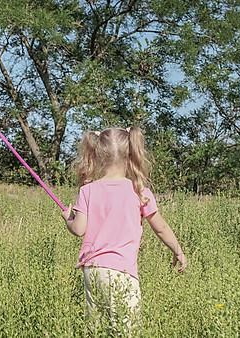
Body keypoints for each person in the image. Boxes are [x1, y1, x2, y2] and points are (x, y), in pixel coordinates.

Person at [61, 127, 187, 334]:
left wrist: (68, 219)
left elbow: (78, 229)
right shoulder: (139, 192)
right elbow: (161, 228)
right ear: (130, 155)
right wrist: (178, 251)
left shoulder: (87, 190)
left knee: (97, 328)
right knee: (127, 330)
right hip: (121, 272)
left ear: (99, 155)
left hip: (92, 270)